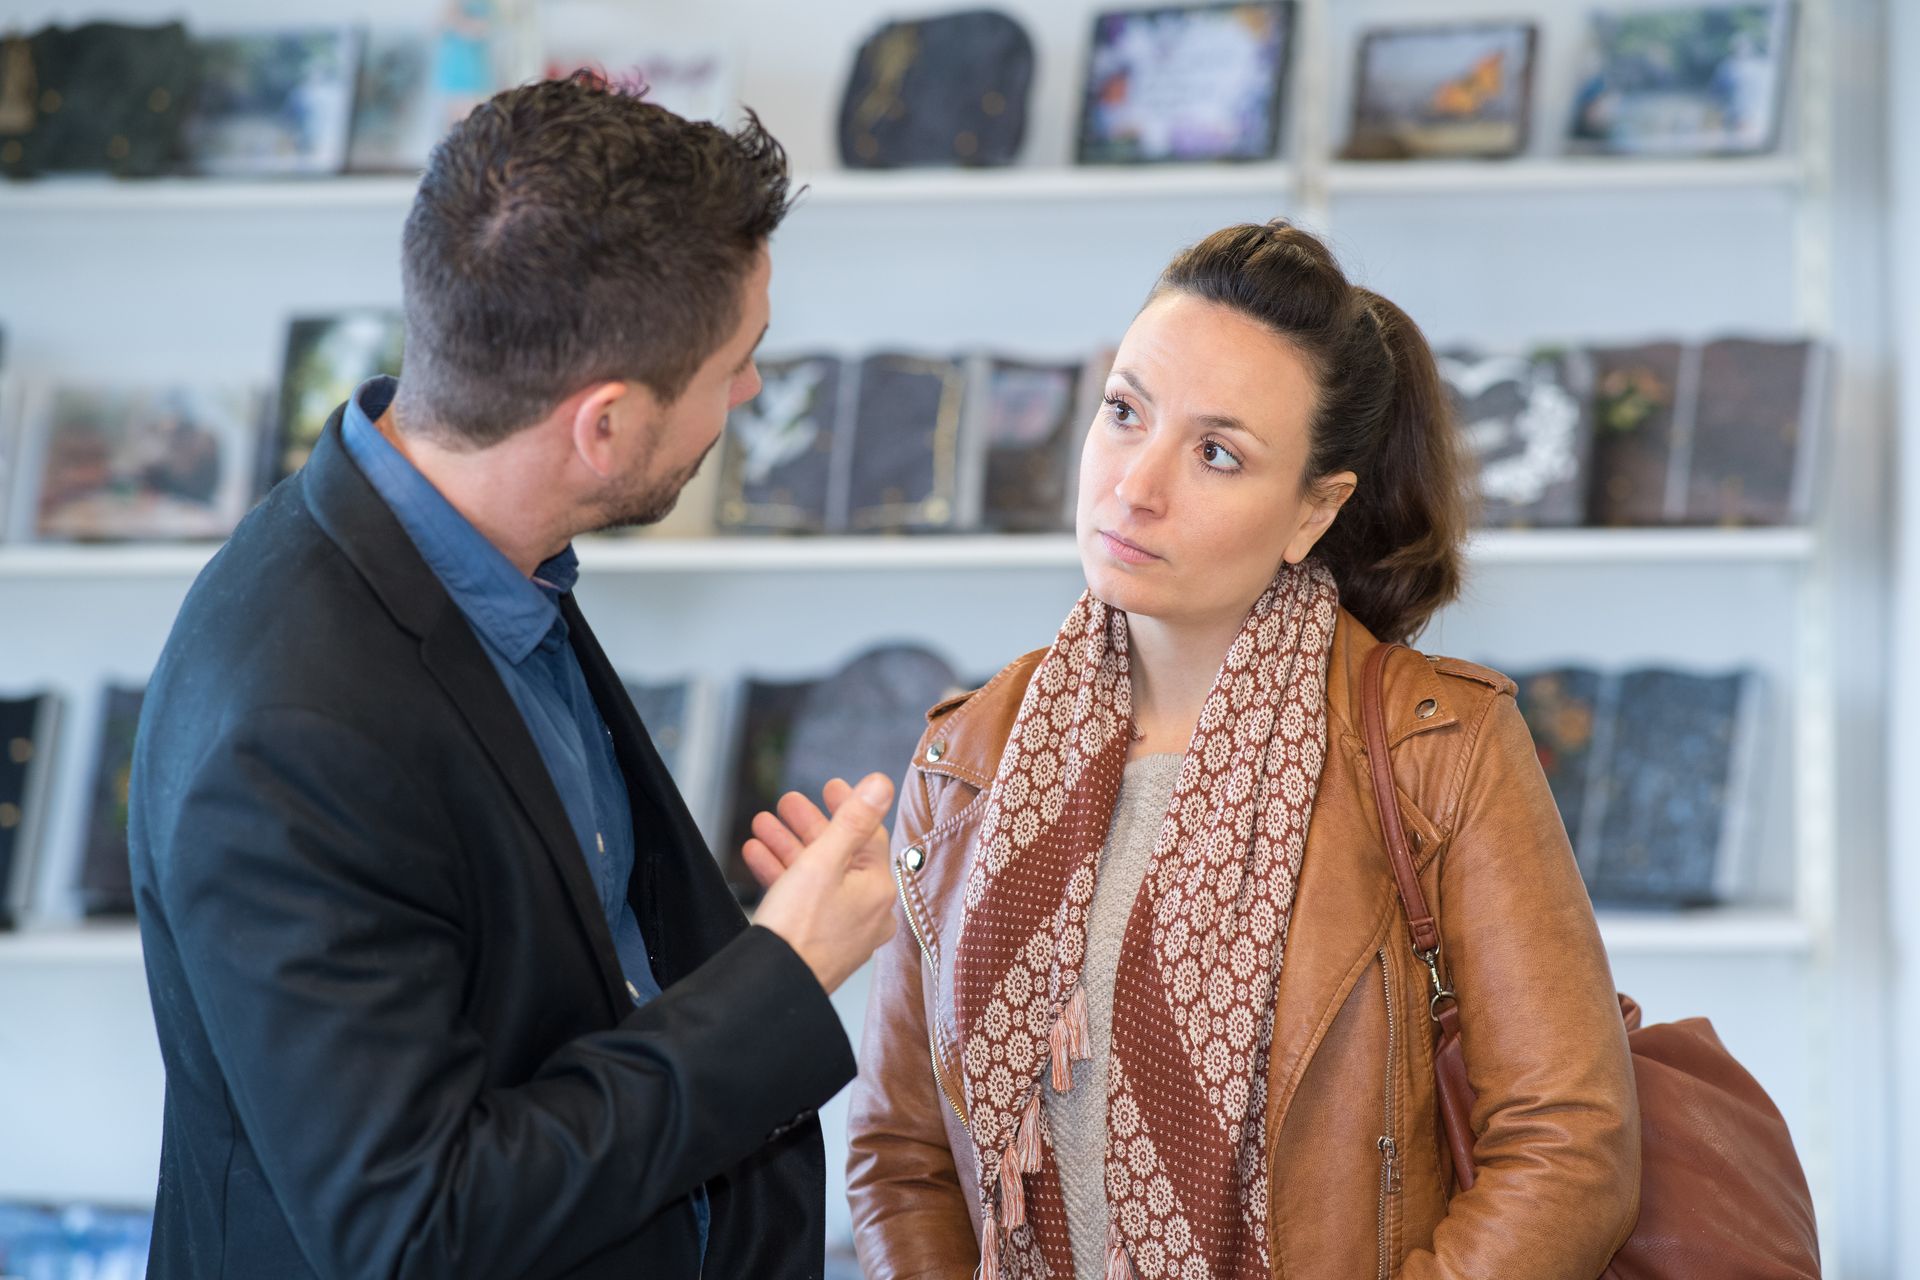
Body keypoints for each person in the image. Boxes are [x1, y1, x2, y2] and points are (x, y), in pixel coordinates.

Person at [127, 75, 896, 1279]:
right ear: (602, 424)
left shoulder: (480, 558)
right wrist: (779, 978)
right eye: (735, 365)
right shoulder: (289, 727)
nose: (748, 393)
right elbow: (418, 1225)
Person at [830, 221, 1641, 1278]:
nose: (1136, 484)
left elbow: (1570, 1141)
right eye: (1125, 412)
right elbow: (903, 1153)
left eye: (1217, 452)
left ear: (1314, 507)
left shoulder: (1438, 743)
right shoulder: (971, 750)